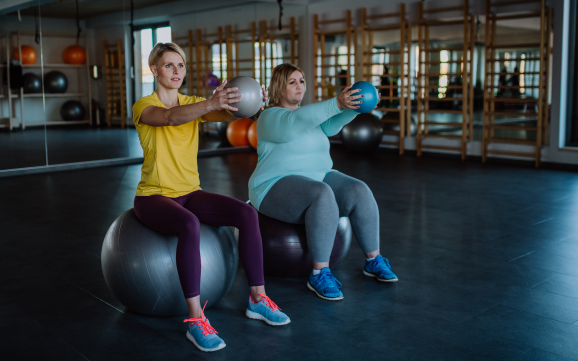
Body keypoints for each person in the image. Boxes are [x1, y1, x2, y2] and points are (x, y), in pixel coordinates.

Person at [132, 43, 289, 353]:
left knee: (247, 214)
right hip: (153, 197)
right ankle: (195, 320)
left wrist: (246, 104)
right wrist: (210, 103)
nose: (176, 71)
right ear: (154, 70)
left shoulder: (193, 101)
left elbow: (223, 113)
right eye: (168, 65)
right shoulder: (144, 106)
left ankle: (257, 299)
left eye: (180, 65)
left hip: (190, 192)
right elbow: (170, 118)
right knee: (189, 225)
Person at [248, 63, 398, 301]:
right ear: (279, 86)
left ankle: (373, 260)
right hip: (273, 185)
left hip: (318, 176)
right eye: (292, 82)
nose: (300, 86)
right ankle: (319, 273)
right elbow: (294, 124)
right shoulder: (269, 117)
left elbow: (332, 124)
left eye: (302, 81)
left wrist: (355, 107)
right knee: (321, 194)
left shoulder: (310, 116)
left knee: (359, 189)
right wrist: (336, 103)